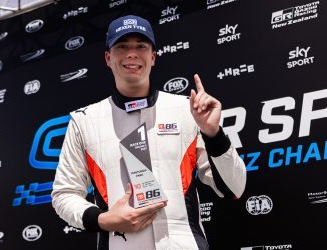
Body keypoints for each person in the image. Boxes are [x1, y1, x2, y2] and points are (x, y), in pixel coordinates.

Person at [51, 15, 246, 250]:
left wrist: (214, 134)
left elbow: (234, 188)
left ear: (153, 57)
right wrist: (103, 219)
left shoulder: (187, 110)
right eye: (122, 46)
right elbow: (64, 194)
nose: (132, 53)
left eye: (141, 46)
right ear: (107, 57)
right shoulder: (84, 121)